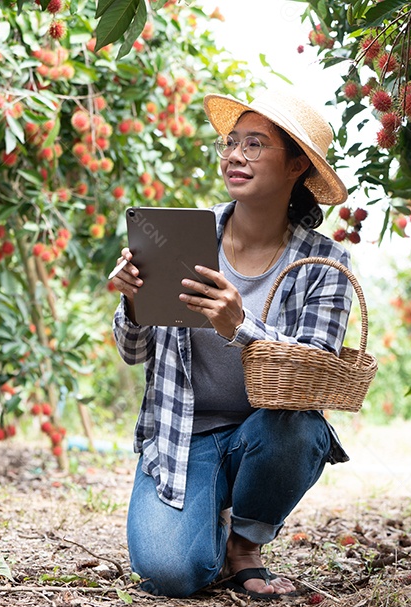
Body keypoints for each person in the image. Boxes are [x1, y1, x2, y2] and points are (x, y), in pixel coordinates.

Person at [109, 87, 353, 599]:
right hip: (184, 437)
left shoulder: (324, 263)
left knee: (299, 429)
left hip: (267, 434)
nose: (235, 155)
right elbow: (133, 352)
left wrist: (240, 327)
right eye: (231, 142)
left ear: (295, 168)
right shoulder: (183, 239)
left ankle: (245, 541)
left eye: (256, 145)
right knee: (171, 573)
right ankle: (210, 520)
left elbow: (317, 373)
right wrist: (133, 302)